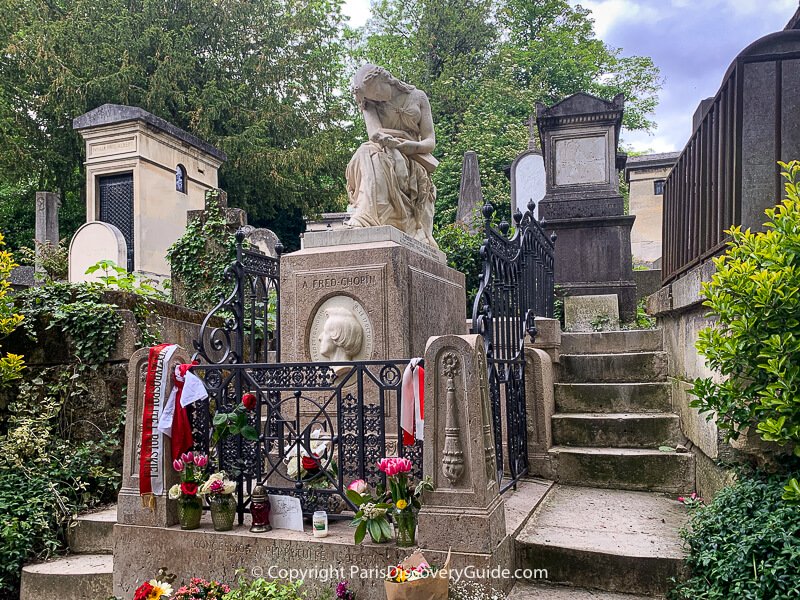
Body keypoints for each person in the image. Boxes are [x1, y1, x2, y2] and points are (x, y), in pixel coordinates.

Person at [345, 64, 439, 248]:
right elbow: (374, 134)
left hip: (413, 157)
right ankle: (365, 215)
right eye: (372, 96)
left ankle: (371, 215)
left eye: (378, 92)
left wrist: (411, 146)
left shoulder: (418, 97)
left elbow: (430, 142)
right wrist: (392, 146)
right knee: (367, 152)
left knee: (374, 156)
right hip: (383, 150)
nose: (377, 98)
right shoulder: (369, 102)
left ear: (385, 79)